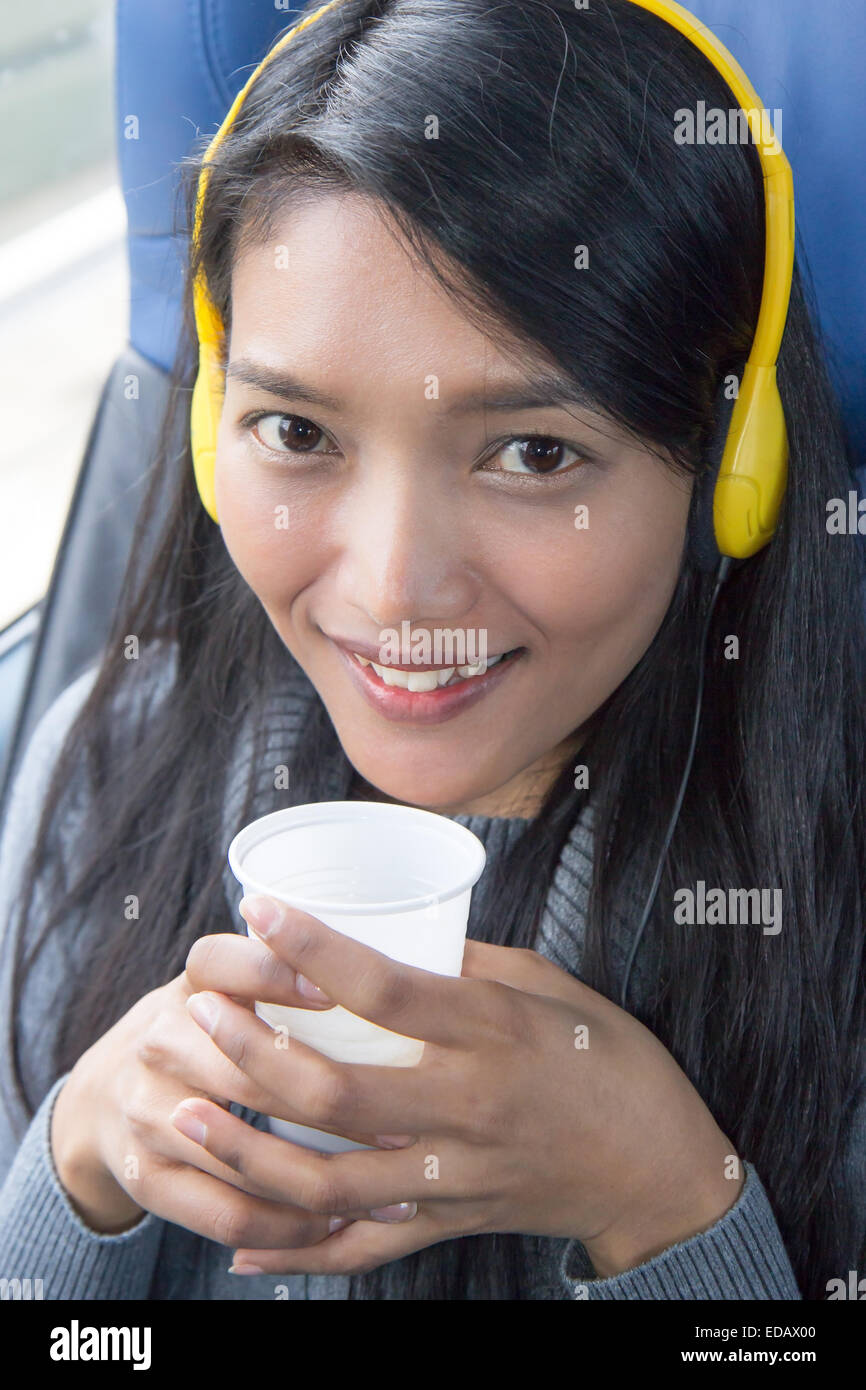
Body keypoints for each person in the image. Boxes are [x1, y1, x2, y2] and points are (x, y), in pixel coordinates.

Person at [1, 0, 864, 1301]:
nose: (395, 588)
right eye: (296, 432)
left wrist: (667, 1202)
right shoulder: (100, 767)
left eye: (531, 453)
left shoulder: (830, 877)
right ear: (207, 430)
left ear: (723, 475)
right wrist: (74, 1167)